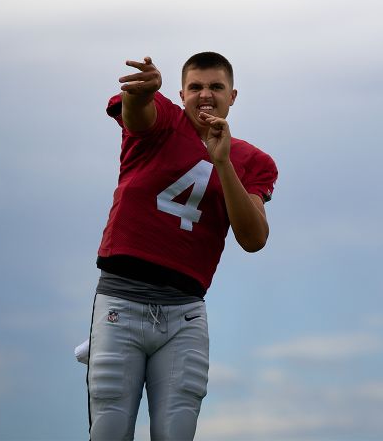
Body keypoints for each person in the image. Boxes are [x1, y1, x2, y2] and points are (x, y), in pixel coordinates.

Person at [83, 52, 277, 441]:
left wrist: (222, 161)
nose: (206, 95)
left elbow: (254, 239)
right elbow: (138, 115)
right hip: (122, 300)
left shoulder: (251, 160)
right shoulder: (165, 118)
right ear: (180, 92)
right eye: (196, 87)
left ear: (233, 95)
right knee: (110, 429)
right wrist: (143, 93)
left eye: (216, 87)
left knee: (176, 433)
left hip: (185, 312)